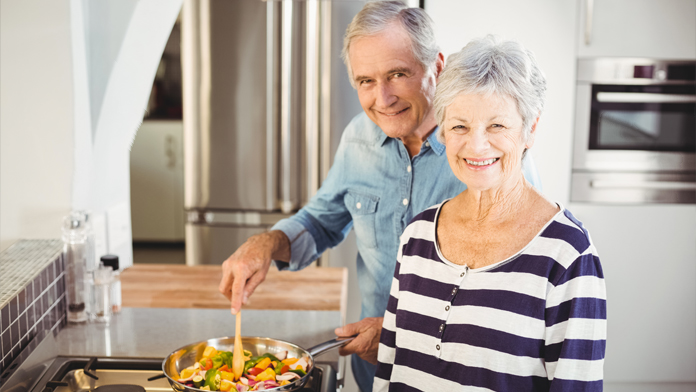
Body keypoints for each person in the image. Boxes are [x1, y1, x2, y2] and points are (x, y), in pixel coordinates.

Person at [217, 3, 542, 391]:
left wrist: (398, 331)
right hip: (376, 373)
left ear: (436, 67)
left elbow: (513, 294)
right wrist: (267, 244)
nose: (382, 98)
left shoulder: (482, 155)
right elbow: (322, 221)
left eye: (397, 74)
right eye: (365, 81)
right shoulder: (357, 140)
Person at [373, 35, 607, 392]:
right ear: (444, 132)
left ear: (530, 130)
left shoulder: (567, 253)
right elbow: (388, 370)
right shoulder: (417, 236)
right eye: (460, 126)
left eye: (497, 125)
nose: (476, 145)